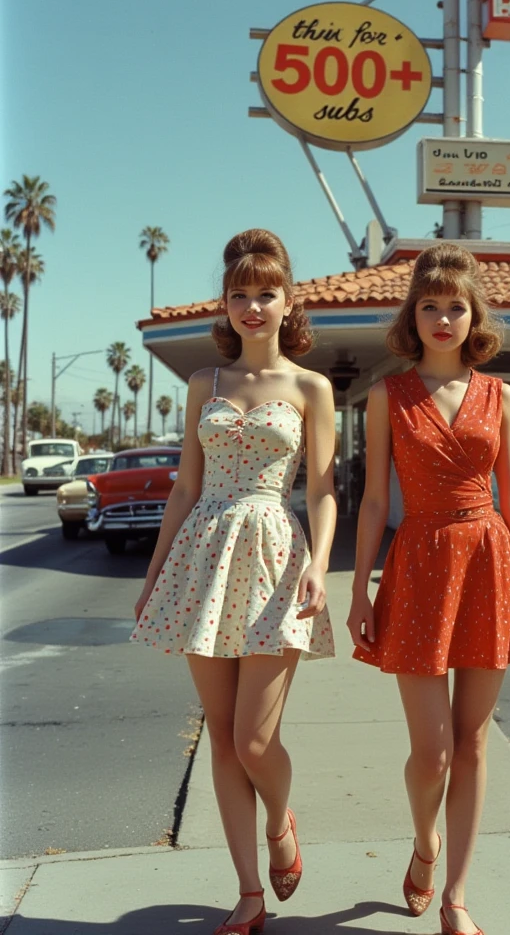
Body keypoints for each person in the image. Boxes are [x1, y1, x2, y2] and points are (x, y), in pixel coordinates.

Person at [347, 244, 510, 935]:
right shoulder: (387, 395)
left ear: (475, 318)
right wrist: (359, 590)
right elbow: (374, 501)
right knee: (431, 751)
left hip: (489, 562)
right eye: (430, 306)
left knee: (471, 743)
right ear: (414, 315)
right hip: (417, 566)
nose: (443, 318)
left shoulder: (503, 396)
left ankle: (457, 896)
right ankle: (425, 842)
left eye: (455, 307)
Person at [132, 229, 337, 935]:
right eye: (240, 294)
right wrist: (156, 574)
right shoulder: (203, 384)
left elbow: (324, 490)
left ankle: (281, 822)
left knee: (255, 741)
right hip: (203, 557)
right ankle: (249, 892)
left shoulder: (311, 387)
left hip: (277, 556)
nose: (253, 306)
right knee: (219, 737)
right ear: (226, 304)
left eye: (266, 293)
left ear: (289, 302)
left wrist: (320, 564)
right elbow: (185, 489)